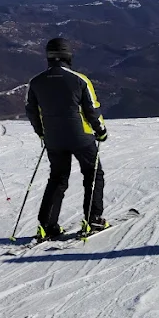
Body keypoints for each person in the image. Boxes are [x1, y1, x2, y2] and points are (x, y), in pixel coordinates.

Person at [25, 37, 109, 241]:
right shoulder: (80, 79)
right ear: (68, 56)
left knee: (58, 178)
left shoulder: (35, 82)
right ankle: (93, 218)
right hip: (81, 136)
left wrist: (42, 133)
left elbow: (32, 112)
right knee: (93, 173)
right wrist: (101, 131)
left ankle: (47, 224)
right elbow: (92, 110)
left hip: (53, 138)